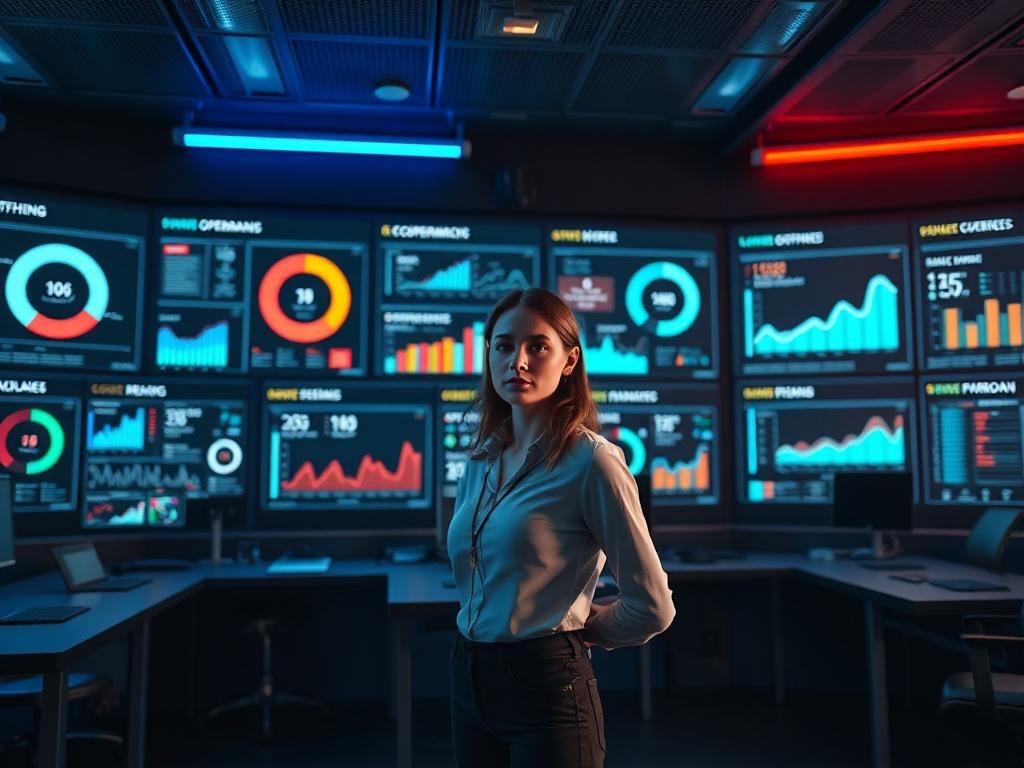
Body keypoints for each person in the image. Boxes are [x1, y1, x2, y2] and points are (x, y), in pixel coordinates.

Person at [448, 287, 675, 768]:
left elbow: (652, 607)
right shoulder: (480, 459)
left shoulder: (592, 462)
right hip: (469, 680)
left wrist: (579, 633)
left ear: (569, 361)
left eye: (538, 346)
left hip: (547, 688)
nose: (519, 361)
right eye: (504, 346)